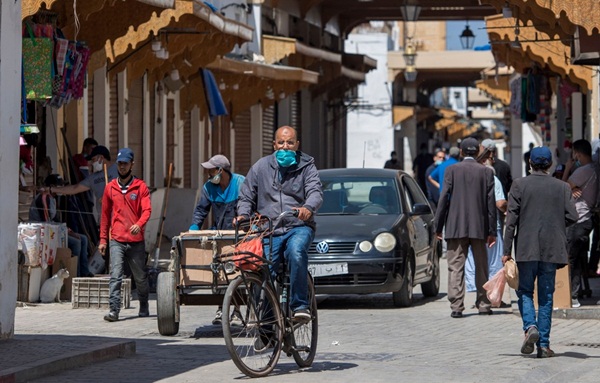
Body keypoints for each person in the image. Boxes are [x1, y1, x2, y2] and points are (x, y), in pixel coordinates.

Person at [235, 126, 323, 321]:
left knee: (296, 252)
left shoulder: (307, 166)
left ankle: (299, 306)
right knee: (263, 270)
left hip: (298, 227)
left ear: (297, 145)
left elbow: (315, 191)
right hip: (269, 230)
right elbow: (246, 195)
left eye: (290, 143)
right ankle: (266, 326)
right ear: (274, 144)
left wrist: (308, 207)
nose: (285, 147)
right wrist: (243, 214)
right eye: (281, 143)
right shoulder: (261, 167)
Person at [503, 146, 578, 358]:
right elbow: (573, 216)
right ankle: (543, 345)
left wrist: (506, 250)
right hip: (552, 248)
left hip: (526, 248)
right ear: (550, 165)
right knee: (546, 298)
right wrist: (555, 223)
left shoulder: (519, 185)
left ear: (530, 163)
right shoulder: (562, 187)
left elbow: (511, 222)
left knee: (525, 291)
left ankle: (530, 327)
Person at [434, 137, 497, 318]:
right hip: (480, 227)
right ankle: (484, 304)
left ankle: (456, 306)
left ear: (461, 152)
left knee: (455, 266)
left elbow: (443, 199)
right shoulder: (486, 172)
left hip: (455, 226)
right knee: (482, 266)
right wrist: (492, 231)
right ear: (477, 151)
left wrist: (438, 227)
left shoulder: (451, 170)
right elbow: (490, 204)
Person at [189, 154, 245, 325]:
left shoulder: (240, 184)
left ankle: (236, 311)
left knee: (238, 272)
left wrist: (244, 220)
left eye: (211, 171)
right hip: (220, 234)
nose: (208, 174)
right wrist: (194, 227)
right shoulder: (209, 187)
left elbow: (249, 204)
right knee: (219, 272)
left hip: (240, 235)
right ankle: (221, 309)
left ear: (221, 170)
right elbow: (201, 210)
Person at [99, 148, 152, 322]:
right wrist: (103, 240)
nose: (122, 167)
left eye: (125, 164)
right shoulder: (110, 188)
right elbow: (105, 215)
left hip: (136, 241)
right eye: (119, 163)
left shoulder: (141, 187)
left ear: (132, 165)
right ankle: (114, 309)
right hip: (117, 240)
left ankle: (144, 303)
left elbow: (147, 210)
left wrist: (139, 224)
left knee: (140, 277)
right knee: (116, 275)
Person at [30, 174, 93, 277]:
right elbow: (46, 222)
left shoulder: (52, 199)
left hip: (52, 230)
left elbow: (56, 220)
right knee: (76, 242)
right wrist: (67, 233)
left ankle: (84, 271)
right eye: (59, 186)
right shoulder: (44, 198)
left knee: (84, 239)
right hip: (44, 233)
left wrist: (69, 231)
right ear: (51, 186)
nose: (61, 189)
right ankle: (74, 274)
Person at [561, 139, 597, 307]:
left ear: (578, 154)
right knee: (578, 257)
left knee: (571, 259)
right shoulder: (594, 168)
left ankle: (572, 296)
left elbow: (561, 187)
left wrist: (568, 168)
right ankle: (577, 293)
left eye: (574, 153)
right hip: (586, 220)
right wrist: (573, 187)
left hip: (578, 220)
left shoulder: (583, 170)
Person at [52, 145, 119, 222]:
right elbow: (74, 188)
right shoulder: (93, 178)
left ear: (101, 158)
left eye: (93, 160)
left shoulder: (118, 171)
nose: (92, 163)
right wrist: (52, 189)